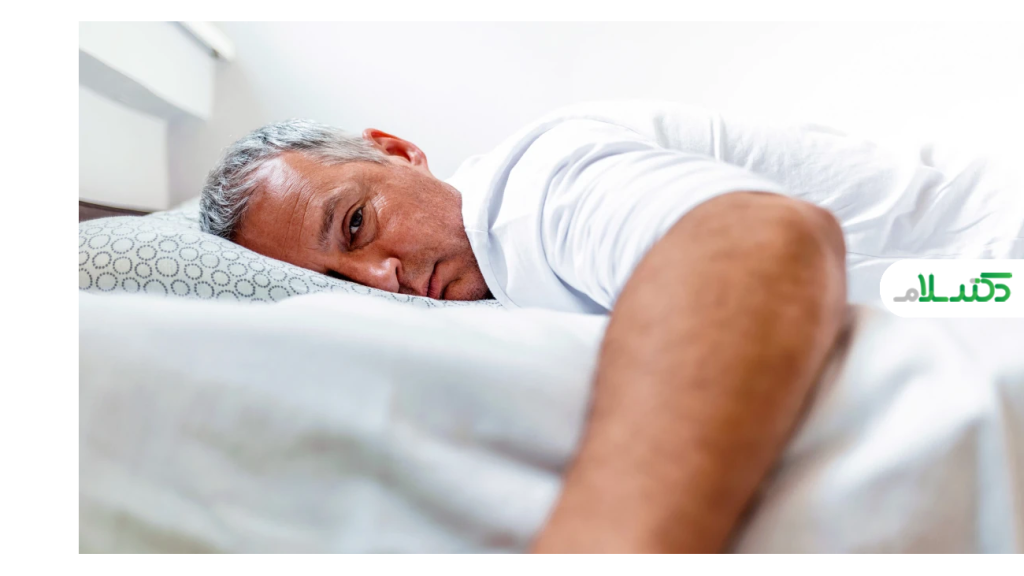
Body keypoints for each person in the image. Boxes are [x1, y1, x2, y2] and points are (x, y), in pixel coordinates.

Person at [199, 101, 1021, 553]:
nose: (380, 278)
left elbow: (757, 244)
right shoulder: (495, 281)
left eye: (354, 224)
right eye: (337, 283)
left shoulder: (530, 192)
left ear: (397, 151)